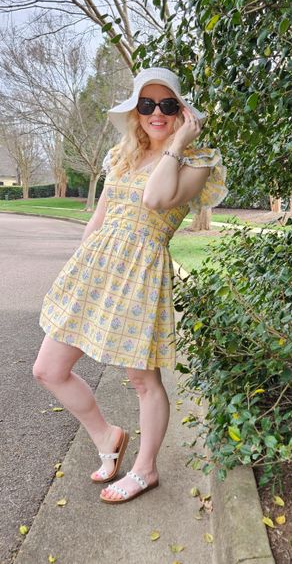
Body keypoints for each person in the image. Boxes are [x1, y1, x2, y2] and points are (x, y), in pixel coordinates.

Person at [33, 67, 227, 504]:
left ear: (182, 111)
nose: (156, 113)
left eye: (167, 104)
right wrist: (77, 270)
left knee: (142, 380)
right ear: (135, 110)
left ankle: (146, 469)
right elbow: (98, 220)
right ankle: (108, 436)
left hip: (141, 271)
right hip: (96, 268)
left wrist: (176, 145)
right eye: (146, 104)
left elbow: (155, 200)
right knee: (48, 368)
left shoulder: (198, 160)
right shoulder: (121, 156)